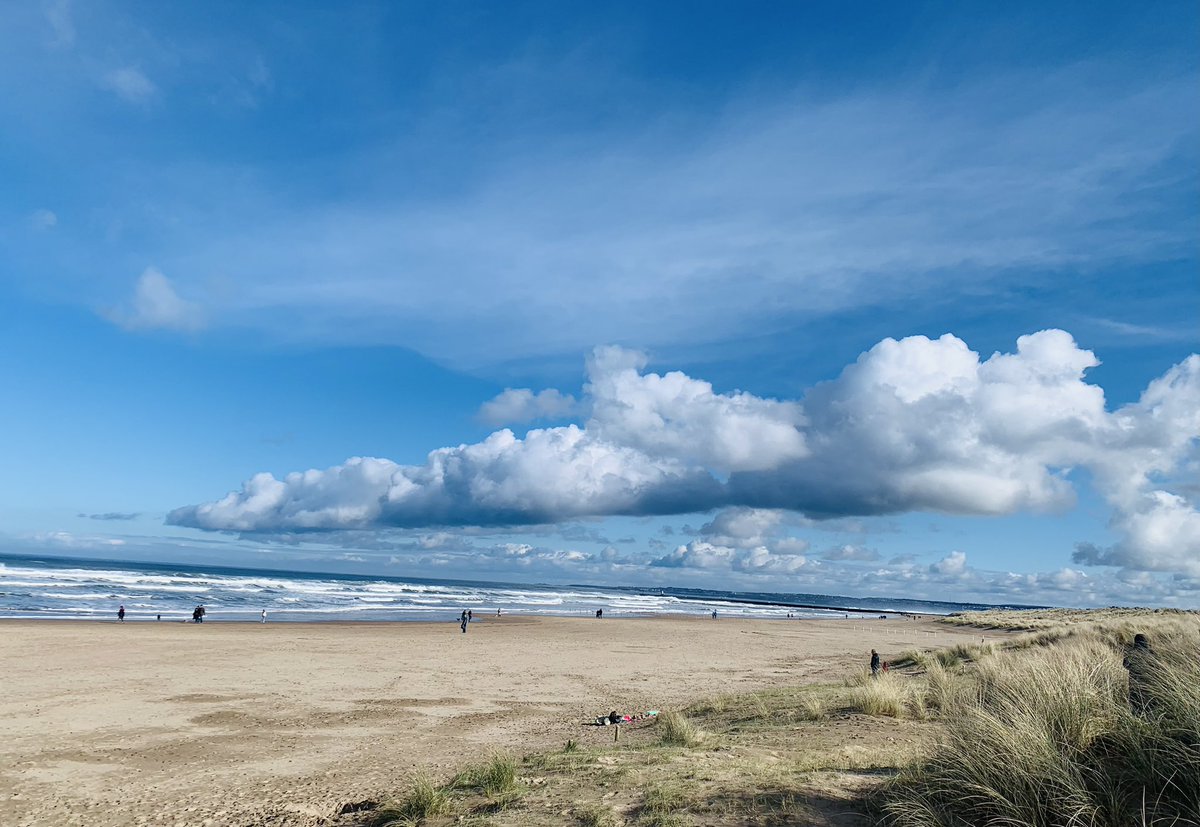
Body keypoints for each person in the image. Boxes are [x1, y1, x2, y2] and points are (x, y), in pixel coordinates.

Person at [1123, 633, 1154, 715]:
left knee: (1134, 699)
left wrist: (1133, 668)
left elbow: (1125, 665)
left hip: (1134, 681)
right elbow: (1156, 666)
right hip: (1148, 681)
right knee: (1147, 700)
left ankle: (1135, 715)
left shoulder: (1132, 652)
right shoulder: (1151, 653)